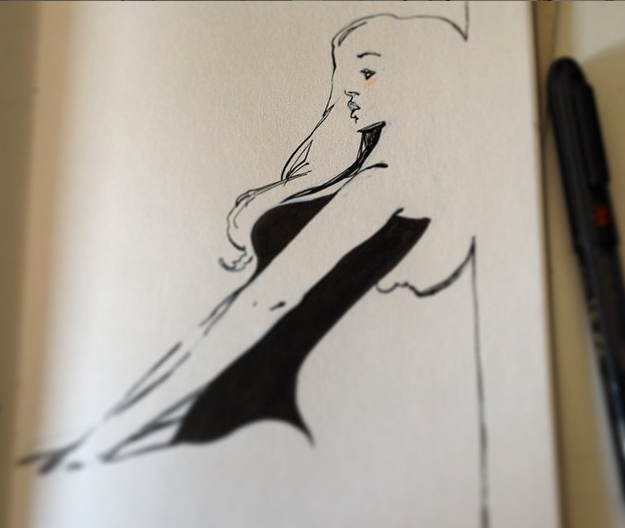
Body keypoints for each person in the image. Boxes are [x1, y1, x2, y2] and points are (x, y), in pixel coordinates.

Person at [22, 12, 471, 471]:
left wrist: (113, 432)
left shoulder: (384, 182)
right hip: (225, 397)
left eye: (369, 72)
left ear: (418, 81)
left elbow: (265, 303)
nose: (350, 89)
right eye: (346, 75)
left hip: (250, 412)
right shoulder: (369, 173)